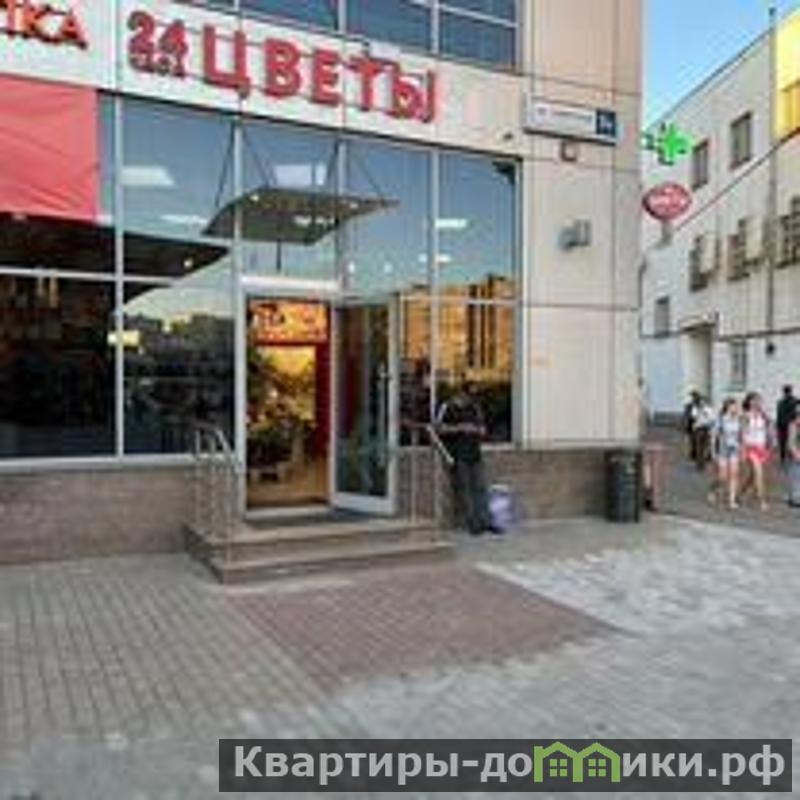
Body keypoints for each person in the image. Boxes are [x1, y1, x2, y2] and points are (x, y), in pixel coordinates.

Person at [436, 382, 497, 535]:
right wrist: (460, 428)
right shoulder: (447, 407)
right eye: (469, 396)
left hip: (475, 452)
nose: (471, 399)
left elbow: (483, 429)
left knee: (480, 487)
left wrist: (478, 430)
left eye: (473, 396)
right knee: (465, 489)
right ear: (461, 394)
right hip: (458, 454)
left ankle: (486, 521)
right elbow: (438, 428)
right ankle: (472, 522)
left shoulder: (474, 408)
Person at [740, 392, 774, 511]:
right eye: (754, 400)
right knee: (759, 473)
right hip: (750, 447)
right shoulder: (745, 415)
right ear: (749, 402)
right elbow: (743, 434)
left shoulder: (763, 415)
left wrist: (770, 444)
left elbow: (769, 430)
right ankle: (762, 501)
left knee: (752, 475)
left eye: (759, 400)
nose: (756, 403)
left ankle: (741, 493)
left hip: (761, 447)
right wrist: (743, 450)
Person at [710, 399, 742, 510]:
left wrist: (741, 448)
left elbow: (740, 435)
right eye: (733, 406)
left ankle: (731, 500)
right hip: (722, 449)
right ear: (727, 407)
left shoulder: (738, 420)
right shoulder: (721, 419)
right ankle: (713, 489)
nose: (735, 409)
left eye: (736, 407)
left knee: (734, 475)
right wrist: (713, 451)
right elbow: (714, 436)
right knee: (723, 477)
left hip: (734, 449)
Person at [691, 396, 716, 471]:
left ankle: (703, 462)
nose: (702, 403)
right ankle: (699, 463)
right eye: (701, 402)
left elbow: (712, 419)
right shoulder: (696, 409)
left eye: (703, 402)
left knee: (705, 446)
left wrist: (706, 414)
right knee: (699, 447)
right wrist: (699, 413)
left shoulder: (709, 409)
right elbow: (693, 417)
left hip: (706, 428)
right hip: (698, 429)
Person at [776, 385, 798, 465]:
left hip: (781, 424)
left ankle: (783, 458)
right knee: (791, 442)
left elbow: (779, 415)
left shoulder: (780, 402)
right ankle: (792, 457)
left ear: (783, 392)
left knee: (783, 441)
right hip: (790, 423)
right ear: (791, 391)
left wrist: (777, 425)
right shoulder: (794, 400)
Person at [683, 390, 701, 461]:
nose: (694, 399)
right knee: (691, 440)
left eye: (695, 397)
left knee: (696, 440)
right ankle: (693, 453)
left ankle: (696, 453)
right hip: (690, 425)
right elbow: (686, 416)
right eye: (693, 397)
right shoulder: (689, 406)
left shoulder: (700, 406)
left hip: (698, 425)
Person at [789, 410, 800, 508]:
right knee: (796, 476)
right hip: (796, 455)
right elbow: (791, 442)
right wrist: (796, 454)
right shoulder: (793, 426)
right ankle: (794, 498)